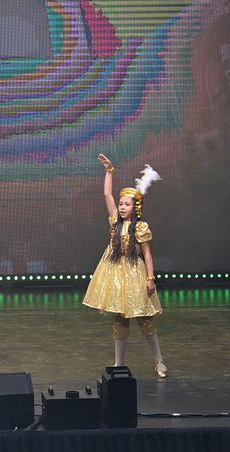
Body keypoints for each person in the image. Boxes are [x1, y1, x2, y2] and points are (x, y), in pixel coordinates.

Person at [83, 155, 167, 377]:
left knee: (145, 319)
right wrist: (109, 170)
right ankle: (119, 363)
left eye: (126, 204)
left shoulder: (140, 227)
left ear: (135, 207)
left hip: (134, 273)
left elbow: (147, 254)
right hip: (116, 275)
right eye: (121, 204)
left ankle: (158, 360)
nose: (121, 207)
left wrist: (150, 279)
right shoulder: (114, 221)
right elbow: (107, 194)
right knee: (120, 319)